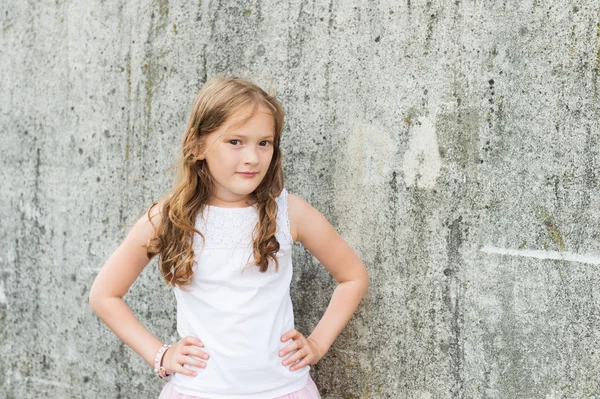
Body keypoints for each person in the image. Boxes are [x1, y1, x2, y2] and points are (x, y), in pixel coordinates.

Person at [88, 76, 369, 399]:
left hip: (283, 390)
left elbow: (353, 276)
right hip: (200, 391)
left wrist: (317, 344)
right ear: (197, 146)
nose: (252, 157)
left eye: (264, 143)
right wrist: (160, 354)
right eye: (235, 142)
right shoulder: (170, 218)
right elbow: (104, 294)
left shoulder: (290, 212)